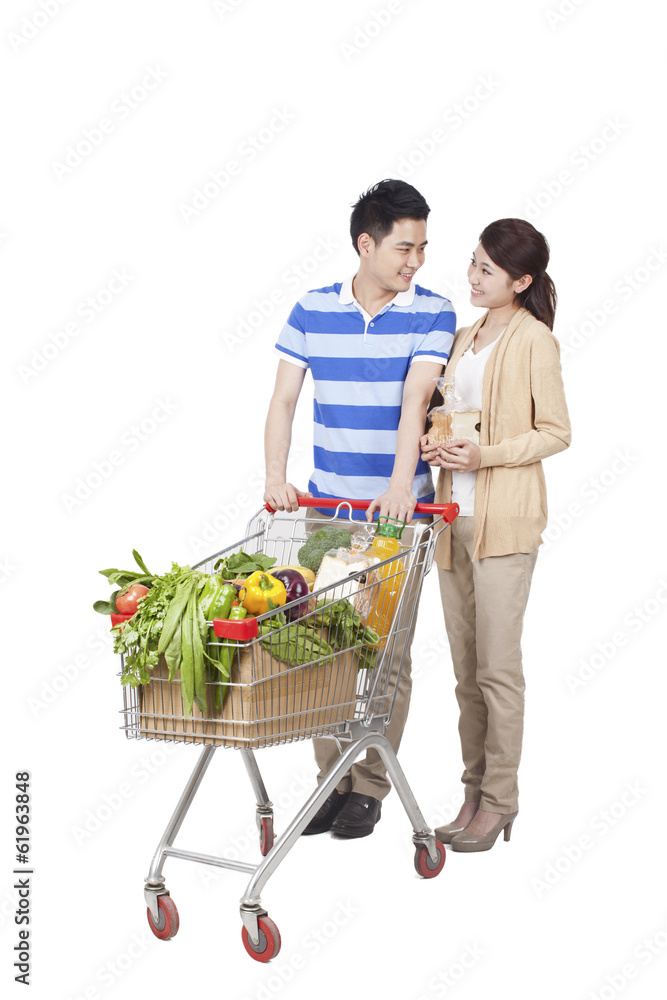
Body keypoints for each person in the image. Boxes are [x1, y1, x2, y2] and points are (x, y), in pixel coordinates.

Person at [264, 179, 456, 838]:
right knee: (320, 645)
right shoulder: (311, 310)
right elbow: (284, 400)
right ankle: (330, 781)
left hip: (399, 518)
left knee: (385, 653)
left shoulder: (432, 312)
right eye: (404, 247)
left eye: (423, 248)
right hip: (326, 509)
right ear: (365, 243)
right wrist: (274, 476)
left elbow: (414, 402)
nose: (415, 261)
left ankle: (369, 785)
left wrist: (403, 486)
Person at [421, 218, 571, 852]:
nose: (472, 277)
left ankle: (500, 802)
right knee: (463, 672)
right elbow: (444, 410)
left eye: (486, 268)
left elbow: (556, 432)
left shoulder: (534, 340)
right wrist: (434, 437)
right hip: (452, 523)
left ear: (522, 280)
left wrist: (486, 457)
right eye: (473, 263)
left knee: (497, 671)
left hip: (505, 524)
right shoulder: (462, 337)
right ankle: (472, 793)